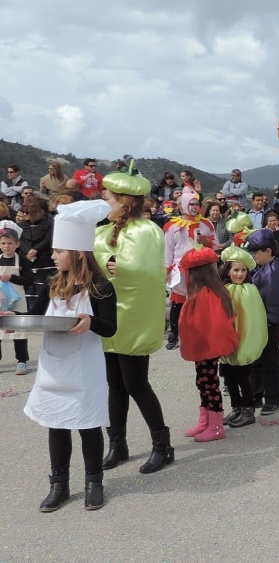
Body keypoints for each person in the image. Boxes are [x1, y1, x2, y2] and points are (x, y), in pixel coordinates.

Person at [15, 200, 117, 512]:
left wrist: (90, 322)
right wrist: (10, 315)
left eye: (58, 251)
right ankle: (58, 485)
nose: (53, 255)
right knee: (56, 424)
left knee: (87, 425)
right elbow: (33, 316)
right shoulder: (51, 283)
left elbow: (111, 328)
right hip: (54, 368)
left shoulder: (101, 287)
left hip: (85, 368)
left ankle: (93, 482)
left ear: (78, 253)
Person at [94, 168, 174, 474]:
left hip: (132, 318)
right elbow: (96, 264)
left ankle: (162, 446)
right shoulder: (102, 230)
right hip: (108, 317)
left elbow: (142, 270)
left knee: (136, 384)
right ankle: (118, 444)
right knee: (114, 384)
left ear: (123, 202)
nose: (103, 199)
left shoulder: (146, 230)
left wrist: (113, 265)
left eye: (108, 196)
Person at [177, 247, 239, 442]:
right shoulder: (207, 292)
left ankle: (216, 425)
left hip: (207, 347)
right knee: (202, 381)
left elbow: (212, 324)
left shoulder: (206, 294)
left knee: (209, 383)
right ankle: (205, 420)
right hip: (204, 347)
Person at [163, 185, 217, 350]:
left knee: (201, 301)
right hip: (180, 269)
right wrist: (167, 270)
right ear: (182, 205)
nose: (194, 207)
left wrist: (206, 242)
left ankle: (202, 332)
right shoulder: (172, 226)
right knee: (178, 303)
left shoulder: (206, 224)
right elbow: (168, 250)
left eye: (196, 204)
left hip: (202, 270)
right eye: (191, 204)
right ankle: (174, 333)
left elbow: (215, 245)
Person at [218, 247, 267, 428]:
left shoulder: (249, 290)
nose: (239, 274)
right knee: (228, 376)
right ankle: (236, 407)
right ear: (228, 271)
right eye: (236, 270)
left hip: (242, 342)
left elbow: (253, 318)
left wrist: (245, 342)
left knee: (242, 377)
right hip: (226, 340)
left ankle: (248, 409)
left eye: (243, 270)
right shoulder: (224, 289)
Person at [243, 229, 279, 415]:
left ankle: (272, 398)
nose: (253, 256)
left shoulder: (275, 269)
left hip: (269, 322)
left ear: (268, 251)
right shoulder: (261, 268)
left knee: (269, 361)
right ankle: (255, 395)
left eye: (255, 252)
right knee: (255, 361)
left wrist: (267, 319)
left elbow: (270, 297)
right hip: (257, 321)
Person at [0, 228, 33, 374]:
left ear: (17, 244)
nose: (7, 246)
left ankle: (22, 360)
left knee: (19, 330)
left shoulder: (23, 260)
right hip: (1, 299)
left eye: (10, 243)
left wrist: (11, 278)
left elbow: (29, 280)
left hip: (17, 300)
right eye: (3, 243)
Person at [18, 200, 55, 310]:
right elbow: (20, 239)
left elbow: (48, 239)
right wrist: (28, 250)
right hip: (27, 259)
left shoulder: (47, 224)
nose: (24, 215)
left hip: (42, 259)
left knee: (41, 288)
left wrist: (35, 249)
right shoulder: (21, 226)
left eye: (26, 213)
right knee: (29, 290)